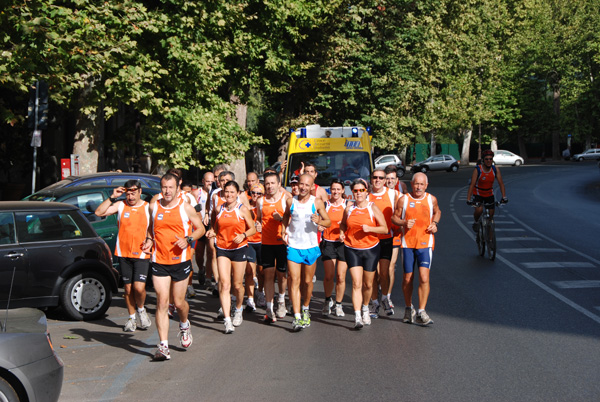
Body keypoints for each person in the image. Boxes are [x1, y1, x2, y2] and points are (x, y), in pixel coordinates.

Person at [142, 173, 205, 361]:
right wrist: (148, 240)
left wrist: (188, 239)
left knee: (178, 303)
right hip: (159, 260)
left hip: (180, 261)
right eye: (164, 187)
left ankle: (184, 324)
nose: (167, 191)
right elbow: (151, 228)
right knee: (162, 302)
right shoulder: (154, 207)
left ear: (177, 187)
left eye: (170, 187)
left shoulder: (185, 207)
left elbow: (200, 228)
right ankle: (163, 346)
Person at [94, 180, 152, 332]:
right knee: (127, 289)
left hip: (141, 253)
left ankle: (141, 310)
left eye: (134, 192)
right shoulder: (121, 205)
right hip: (123, 253)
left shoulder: (147, 207)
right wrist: (113, 197)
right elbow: (99, 212)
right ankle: (132, 318)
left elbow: (155, 227)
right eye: (128, 193)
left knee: (139, 288)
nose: (131, 196)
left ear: (140, 192)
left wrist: (150, 240)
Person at [391, 172, 441, 326]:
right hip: (407, 244)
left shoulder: (431, 199)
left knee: (424, 277)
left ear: (426, 185)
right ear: (412, 184)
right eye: (416, 184)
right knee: (408, 278)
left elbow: (437, 211)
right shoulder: (404, 199)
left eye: (421, 184)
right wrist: (403, 223)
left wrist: (435, 224)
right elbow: (394, 217)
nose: (418, 187)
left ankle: (422, 311)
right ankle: (408, 307)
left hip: (425, 243)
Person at [282, 174, 331, 331]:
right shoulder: (291, 201)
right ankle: (297, 317)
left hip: (310, 246)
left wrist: (320, 221)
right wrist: (284, 232)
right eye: (301, 184)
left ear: (312, 187)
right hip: (294, 246)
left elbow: (328, 221)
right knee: (294, 280)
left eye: (306, 185)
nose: (303, 187)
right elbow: (285, 217)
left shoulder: (316, 202)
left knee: (308, 282)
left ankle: (305, 309)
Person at [206, 181, 256, 334]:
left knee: (237, 286)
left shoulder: (242, 209)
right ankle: (227, 320)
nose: (228, 195)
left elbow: (253, 229)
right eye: (226, 192)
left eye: (232, 192)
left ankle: (239, 309)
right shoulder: (219, 208)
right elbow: (215, 224)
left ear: (237, 193)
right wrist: (212, 231)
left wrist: (243, 235)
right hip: (222, 248)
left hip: (239, 249)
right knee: (224, 284)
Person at [339, 178, 388, 329]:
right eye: (355, 191)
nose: (358, 193)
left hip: (371, 249)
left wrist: (371, 229)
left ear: (366, 191)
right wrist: (342, 233)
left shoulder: (372, 208)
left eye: (361, 190)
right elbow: (342, 224)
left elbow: (385, 229)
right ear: (352, 192)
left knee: (368, 284)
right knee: (356, 283)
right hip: (352, 248)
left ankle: (366, 307)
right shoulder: (349, 208)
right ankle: (358, 316)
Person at [256, 171, 291, 323]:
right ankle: (270, 307)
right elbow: (258, 218)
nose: (269, 186)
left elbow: (294, 220)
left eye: (272, 183)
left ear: (278, 184)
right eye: (267, 184)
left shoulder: (286, 199)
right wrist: (257, 224)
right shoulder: (261, 201)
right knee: (268, 274)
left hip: (282, 243)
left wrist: (282, 219)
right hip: (267, 243)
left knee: (281, 275)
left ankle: (281, 300)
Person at [368, 168, 399, 317]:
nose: (378, 180)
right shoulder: (366, 196)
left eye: (381, 177)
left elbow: (401, 212)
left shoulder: (393, 194)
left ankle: (385, 298)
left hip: (387, 239)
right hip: (371, 240)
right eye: (375, 177)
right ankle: (374, 303)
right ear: (371, 179)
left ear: (386, 179)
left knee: (385, 273)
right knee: (373, 274)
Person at [319, 179, 349, 317]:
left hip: (343, 244)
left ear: (343, 190)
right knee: (329, 276)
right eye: (333, 189)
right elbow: (319, 221)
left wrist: (346, 234)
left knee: (341, 277)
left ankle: (338, 304)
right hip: (329, 243)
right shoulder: (325, 205)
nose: (336, 192)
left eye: (338, 189)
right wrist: (319, 226)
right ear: (330, 190)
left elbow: (353, 223)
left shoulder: (348, 205)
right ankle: (327, 300)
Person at [466, 150, 508, 231]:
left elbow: (501, 184)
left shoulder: (495, 169)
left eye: (490, 159)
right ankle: (476, 222)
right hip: (478, 193)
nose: (489, 161)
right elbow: (472, 185)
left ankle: (490, 240)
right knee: (479, 210)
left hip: (489, 194)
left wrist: (504, 197)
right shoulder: (478, 169)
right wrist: (468, 199)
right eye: (486, 159)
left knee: (491, 217)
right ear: (483, 160)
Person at [245, 183, 265, 311]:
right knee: (249, 272)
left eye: (259, 193)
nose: (256, 195)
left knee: (262, 272)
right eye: (253, 193)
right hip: (249, 242)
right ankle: (250, 298)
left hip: (262, 242)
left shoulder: (264, 206)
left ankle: (260, 291)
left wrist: (263, 227)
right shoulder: (245, 206)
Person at [194, 172, 214, 287]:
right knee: (199, 253)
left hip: (210, 225)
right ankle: (201, 269)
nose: (210, 184)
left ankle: (208, 277)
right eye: (207, 181)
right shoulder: (197, 193)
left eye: (212, 182)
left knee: (211, 252)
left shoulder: (215, 194)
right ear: (203, 181)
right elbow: (192, 208)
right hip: (200, 225)